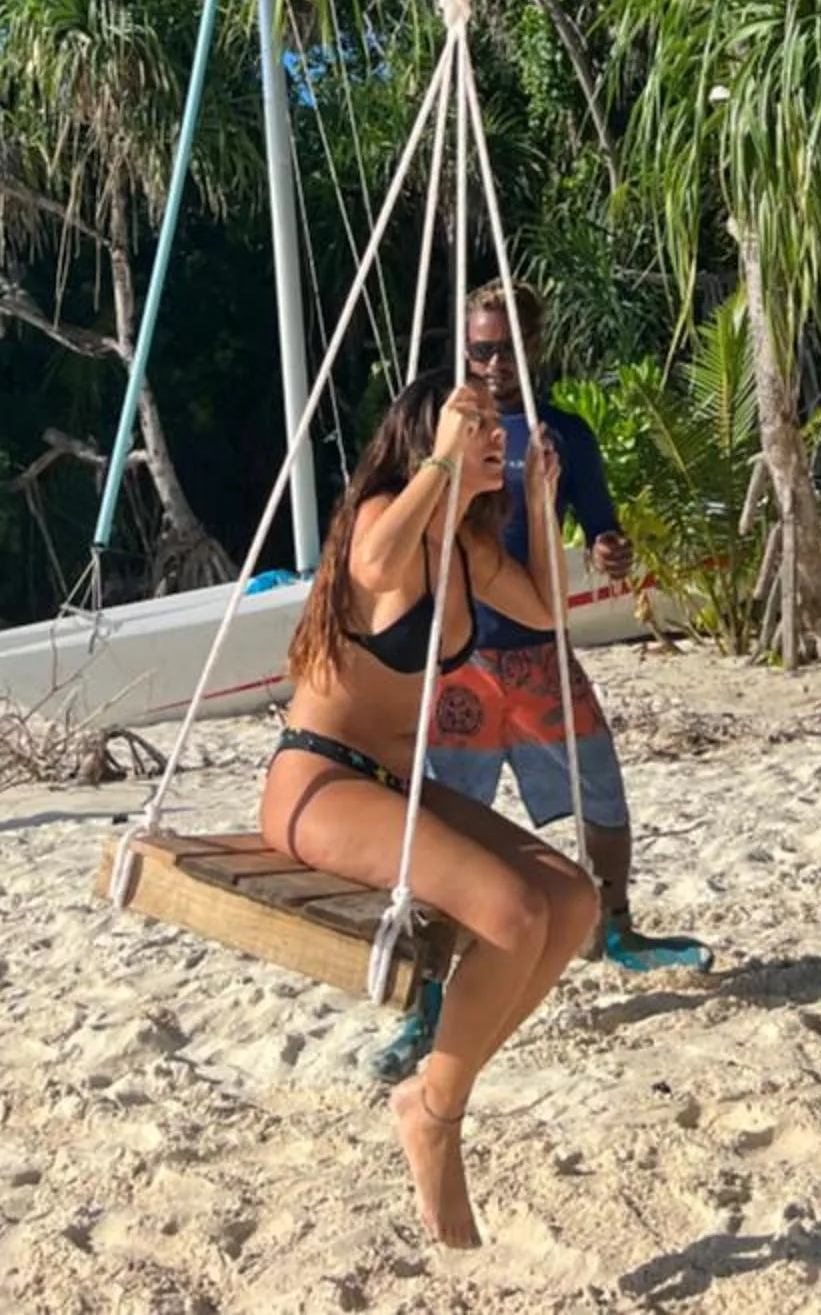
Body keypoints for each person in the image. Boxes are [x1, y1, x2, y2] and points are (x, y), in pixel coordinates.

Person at [262, 374, 597, 1250]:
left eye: (494, 428)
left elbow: (549, 612)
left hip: (392, 788)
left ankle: (437, 1092)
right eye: (479, 426)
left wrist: (533, 493)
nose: (498, 436)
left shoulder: (464, 548)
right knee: (513, 912)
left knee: (570, 901)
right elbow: (371, 569)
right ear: (430, 438)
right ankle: (436, 1118)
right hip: (321, 782)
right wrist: (447, 461)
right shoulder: (383, 517)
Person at [423, 279, 710, 975]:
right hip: (461, 657)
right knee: (438, 828)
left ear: (535, 348)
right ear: (465, 350)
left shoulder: (562, 437)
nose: (495, 364)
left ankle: (614, 927)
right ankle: (429, 979)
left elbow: (599, 522)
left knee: (603, 798)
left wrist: (610, 545)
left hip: (537, 653)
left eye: (509, 349)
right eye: (482, 350)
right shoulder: (443, 430)